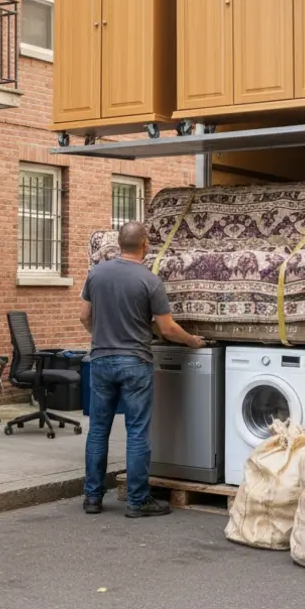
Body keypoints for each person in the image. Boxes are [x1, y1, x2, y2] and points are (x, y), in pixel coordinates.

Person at [80, 221, 206, 518]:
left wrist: (100, 335)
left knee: (98, 430)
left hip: (100, 359)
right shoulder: (149, 281)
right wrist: (191, 342)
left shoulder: (95, 274)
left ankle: (92, 499)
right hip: (135, 361)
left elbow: (84, 316)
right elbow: (167, 328)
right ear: (145, 245)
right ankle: (137, 501)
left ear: (120, 243)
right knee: (136, 431)